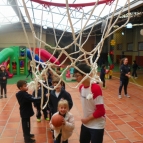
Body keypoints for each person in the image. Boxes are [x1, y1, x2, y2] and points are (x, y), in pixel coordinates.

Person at [74, 63, 106, 143]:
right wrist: (86, 120)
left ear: (85, 75)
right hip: (86, 124)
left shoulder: (95, 88)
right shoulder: (81, 88)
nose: (76, 78)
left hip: (97, 125)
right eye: (75, 76)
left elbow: (101, 111)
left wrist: (87, 119)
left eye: (77, 76)